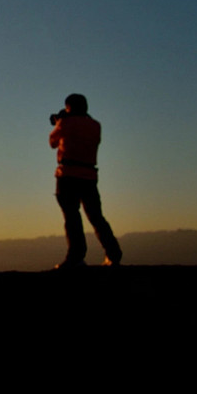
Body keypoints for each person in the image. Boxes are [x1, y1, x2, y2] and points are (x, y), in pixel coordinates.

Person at [48, 93, 122, 269]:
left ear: (69, 107)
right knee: (96, 216)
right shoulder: (95, 125)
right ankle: (113, 254)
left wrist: (60, 121)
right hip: (89, 176)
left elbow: (52, 142)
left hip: (67, 175)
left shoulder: (65, 123)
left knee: (72, 217)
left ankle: (76, 257)